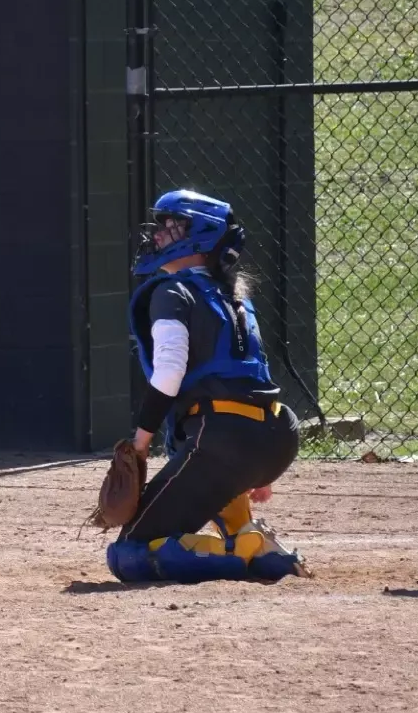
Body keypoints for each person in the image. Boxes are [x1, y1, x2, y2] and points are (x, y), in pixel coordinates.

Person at [103, 190, 310, 585]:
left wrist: (140, 443)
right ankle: (260, 549)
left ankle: (237, 554)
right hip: (277, 433)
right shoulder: (235, 296)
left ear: (200, 237)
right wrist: (258, 471)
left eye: (172, 225)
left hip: (222, 438)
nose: (158, 234)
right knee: (206, 471)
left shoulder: (172, 292)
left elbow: (169, 374)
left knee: (128, 554)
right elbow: (254, 374)